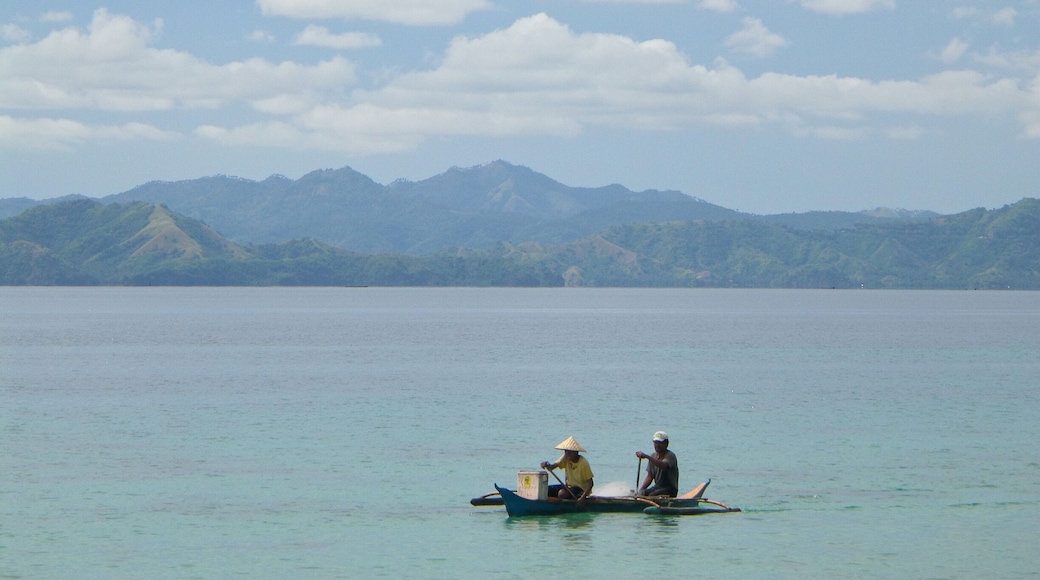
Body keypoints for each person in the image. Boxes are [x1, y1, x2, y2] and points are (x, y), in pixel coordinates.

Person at [540, 436, 594, 506]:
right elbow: (552, 467)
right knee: (545, 490)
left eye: (570, 452)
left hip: (581, 490)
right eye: (566, 451)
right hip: (569, 487)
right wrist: (546, 465)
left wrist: (582, 497)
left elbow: (590, 483)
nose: (567, 454)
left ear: (576, 452)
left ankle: (560, 507)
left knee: (562, 493)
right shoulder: (566, 457)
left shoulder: (583, 463)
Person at [636, 431, 679, 497]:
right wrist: (641, 490)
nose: (657, 445)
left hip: (670, 489)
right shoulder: (653, 456)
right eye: (655, 442)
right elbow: (650, 476)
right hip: (658, 487)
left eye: (660, 443)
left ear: (666, 443)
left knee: (652, 495)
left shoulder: (670, 456)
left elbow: (664, 465)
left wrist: (647, 457)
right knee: (643, 493)